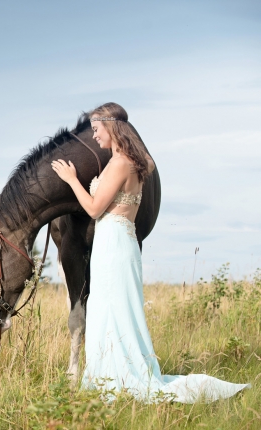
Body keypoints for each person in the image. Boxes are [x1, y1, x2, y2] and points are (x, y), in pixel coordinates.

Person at [50, 102, 248, 403]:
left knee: (112, 310)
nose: (95, 137)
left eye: (96, 129)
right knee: (115, 310)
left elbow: (92, 208)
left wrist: (72, 180)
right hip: (119, 242)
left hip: (113, 244)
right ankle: (110, 374)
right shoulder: (134, 161)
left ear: (111, 126)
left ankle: (117, 379)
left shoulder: (119, 164)